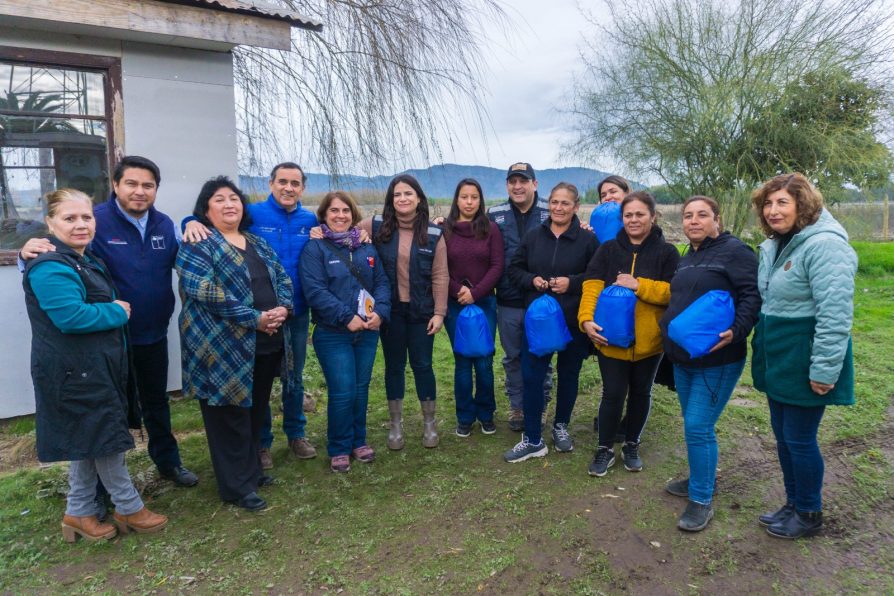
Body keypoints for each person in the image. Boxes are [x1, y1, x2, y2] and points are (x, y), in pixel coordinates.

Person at [20, 156, 199, 494]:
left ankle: (168, 462)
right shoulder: (95, 220)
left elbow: (187, 257)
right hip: (105, 340)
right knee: (107, 410)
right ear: (115, 186)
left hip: (152, 334)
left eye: (148, 185)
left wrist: (191, 219)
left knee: (155, 402)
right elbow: (56, 256)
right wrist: (24, 252)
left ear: (156, 190)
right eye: (131, 183)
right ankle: (101, 489)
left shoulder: (163, 225)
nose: (139, 191)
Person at [23, 189, 167, 542]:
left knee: (89, 438)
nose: (80, 225)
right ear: (50, 223)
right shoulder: (51, 266)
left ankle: (78, 512)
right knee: (106, 440)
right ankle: (128, 507)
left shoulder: (80, 259)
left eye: (86, 217)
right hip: (76, 371)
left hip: (90, 367)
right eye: (69, 219)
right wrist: (116, 311)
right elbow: (70, 317)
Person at [184, 162, 318, 468]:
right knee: (259, 381)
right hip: (253, 317)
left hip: (294, 312)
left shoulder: (308, 219)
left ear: (303, 188)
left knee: (292, 378)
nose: (288, 188)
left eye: (295, 183)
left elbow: (340, 228)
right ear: (270, 184)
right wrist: (189, 221)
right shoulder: (254, 214)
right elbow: (210, 219)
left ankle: (296, 434)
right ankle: (262, 443)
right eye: (282, 181)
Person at [176, 177, 295, 511]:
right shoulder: (197, 244)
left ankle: (252, 472)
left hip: (264, 343)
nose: (229, 205)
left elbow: (282, 278)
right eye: (219, 200)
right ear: (205, 209)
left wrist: (282, 308)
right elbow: (205, 291)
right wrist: (253, 317)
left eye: (234, 198)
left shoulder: (255, 241)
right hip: (221, 349)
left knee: (255, 410)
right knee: (228, 416)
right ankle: (236, 487)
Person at [750, 173, 857, 539]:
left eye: (783, 202)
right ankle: (793, 503)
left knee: (799, 438)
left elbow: (835, 314)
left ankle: (809, 512)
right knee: (783, 435)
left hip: (806, 355)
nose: (773, 210)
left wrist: (825, 369)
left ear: (804, 204)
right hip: (781, 353)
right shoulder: (782, 243)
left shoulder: (825, 245)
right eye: (768, 203)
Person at [659, 196, 760, 532]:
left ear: (717, 218)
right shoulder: (690, 256)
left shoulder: (735, 251)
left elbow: (752, 295)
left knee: (698, 427)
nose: (694, 221)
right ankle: (699, 479)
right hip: (683, 357)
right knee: (692, 423)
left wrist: (737, 329)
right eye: (688, 215)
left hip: (717, 359)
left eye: (702, 215)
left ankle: (701, 499)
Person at [579, 191, 679, 477]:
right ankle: (605, 448)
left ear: (653, 216)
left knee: (640, 393)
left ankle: (632, 444)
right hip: (610, 339)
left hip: (649, 343)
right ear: (621, 218)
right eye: (628, 215)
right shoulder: (608, 249)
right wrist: (586, 319)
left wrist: (640, 285)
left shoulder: (667, 253)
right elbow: (591, 286)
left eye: (639, 214)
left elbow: (675, 292)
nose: (633, 220)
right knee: (612, 394)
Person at [503, 182, 598, 462]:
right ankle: (533, 438)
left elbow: (597, 277)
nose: (558, 208)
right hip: (538, 322)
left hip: (571, 320)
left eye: (565, 203)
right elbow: (514, 269)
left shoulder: (587, 240)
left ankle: (560, 427)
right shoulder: (534, 236)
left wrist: (572, 283)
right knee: (532, 377)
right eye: (554, 202)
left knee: (569, 375)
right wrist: (531, 280)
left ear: (576, 207)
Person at [353, 174, 448, 449]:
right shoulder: (375, 225)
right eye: (397, 194)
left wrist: (439, 313)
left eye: (408, 194)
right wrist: (319, 231)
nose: (403, 199)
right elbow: (343, 230)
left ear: (418, 198)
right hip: (388, 312)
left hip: (421, 312)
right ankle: (396, 424)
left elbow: (441, 275)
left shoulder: (433, 233)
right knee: (394, 366)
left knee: (422, 365)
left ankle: (429, 423)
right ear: (391, 200)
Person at [299, 191, 391, 472]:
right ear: (324, 215)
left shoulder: (366, 247)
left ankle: (358, 441)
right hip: (333, 332)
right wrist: (345, 317)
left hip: (367, 330)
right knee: (342, 390)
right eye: (334, 211)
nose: (340, 216)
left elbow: (382, 284)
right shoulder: (315, 249)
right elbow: (315, 290)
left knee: (361, 388)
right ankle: (339, 446)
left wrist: (381, 313)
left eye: (345, 211)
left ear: (353, 214)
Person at [487, 163, 553, 432]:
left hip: (542, 298)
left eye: (523, 181)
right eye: (512, 181)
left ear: (534, 184)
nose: (517, 186)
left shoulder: (552, 210)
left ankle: (541, 403)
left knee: (542, 354)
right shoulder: (495, 214)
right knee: (513, 356)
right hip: (508, 299)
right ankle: (517, 406)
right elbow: (471, 233)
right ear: (507, 186)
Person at [442, 179, 504, 436]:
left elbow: (497, 266)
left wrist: (476, 293)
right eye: (464, 197)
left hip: (485, 302)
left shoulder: (490, 230)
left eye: (474, 197)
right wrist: (458, 291)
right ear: (456, 199)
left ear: (481, 201)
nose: (469, 202)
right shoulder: (444, 231)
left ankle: (486, 413)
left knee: (484, 359)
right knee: (463, 360)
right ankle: (465, 416)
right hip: (454, 304)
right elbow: (439, 268)